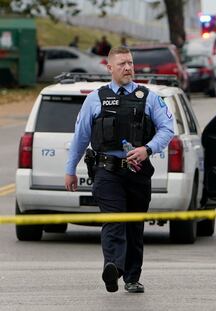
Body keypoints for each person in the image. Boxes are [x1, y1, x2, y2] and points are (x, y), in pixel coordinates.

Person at [64, 46, 174, 292]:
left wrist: (148, 148)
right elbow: (80, 137)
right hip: (107, 171)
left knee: (134, 226)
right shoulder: (95, 99)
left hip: (137, 171)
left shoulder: (149, 97)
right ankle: (112, 266)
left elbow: (168, 128)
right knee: (114, 221)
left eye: (131, 63)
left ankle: (131, 277)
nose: (128, 68)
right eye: (122, 63)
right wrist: (70, 169)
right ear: (110, 68)